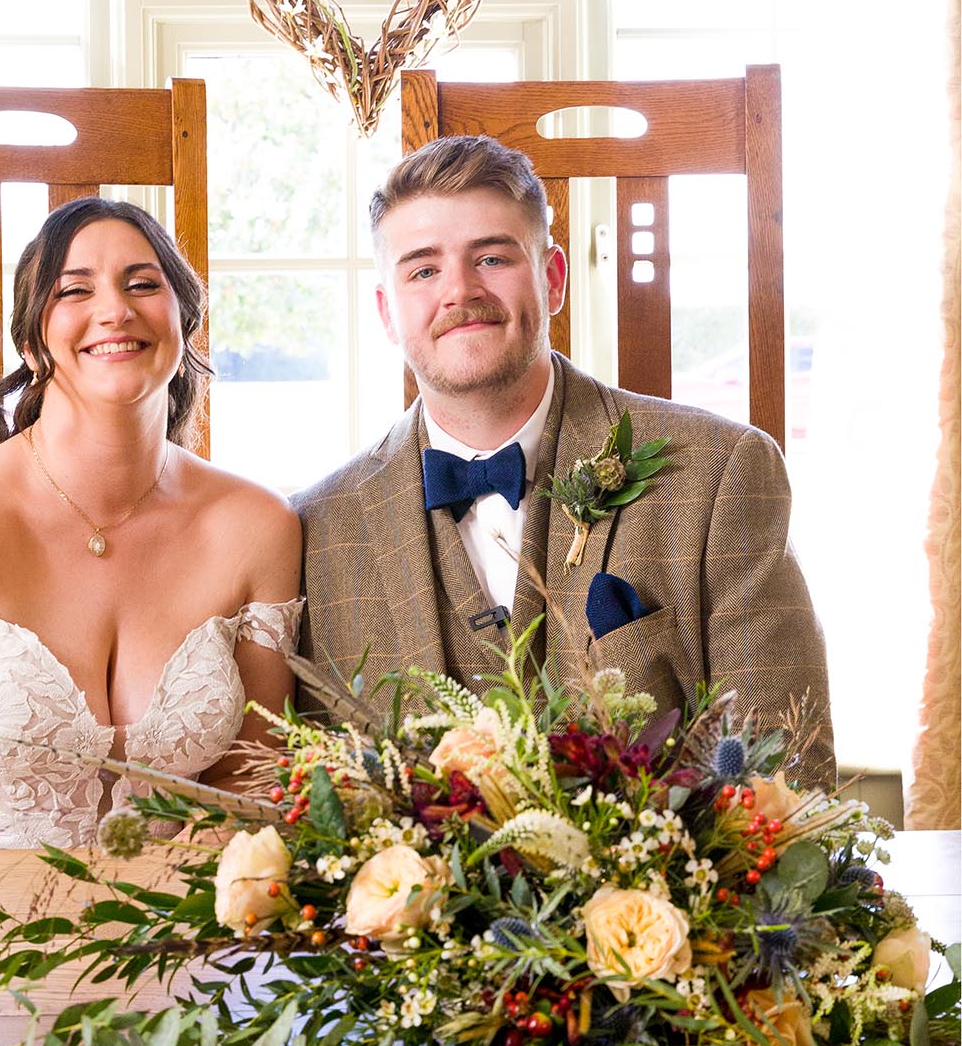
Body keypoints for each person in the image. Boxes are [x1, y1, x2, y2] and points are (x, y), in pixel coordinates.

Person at [295, 136, 834, 779]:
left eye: (492, 257)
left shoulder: (721, 473)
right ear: (388, 312)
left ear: (552, 279)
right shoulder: (314, 531)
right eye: (423, 270)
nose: (460, 291)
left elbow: (787, 775)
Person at [0, 199, 301, 852]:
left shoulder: (257, 527)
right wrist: (22, 928)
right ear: (31, 342)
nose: (115, 310)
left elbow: (249, 780)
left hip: (182, 936)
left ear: (185, 321)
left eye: (142, 284)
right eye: (75, 289)